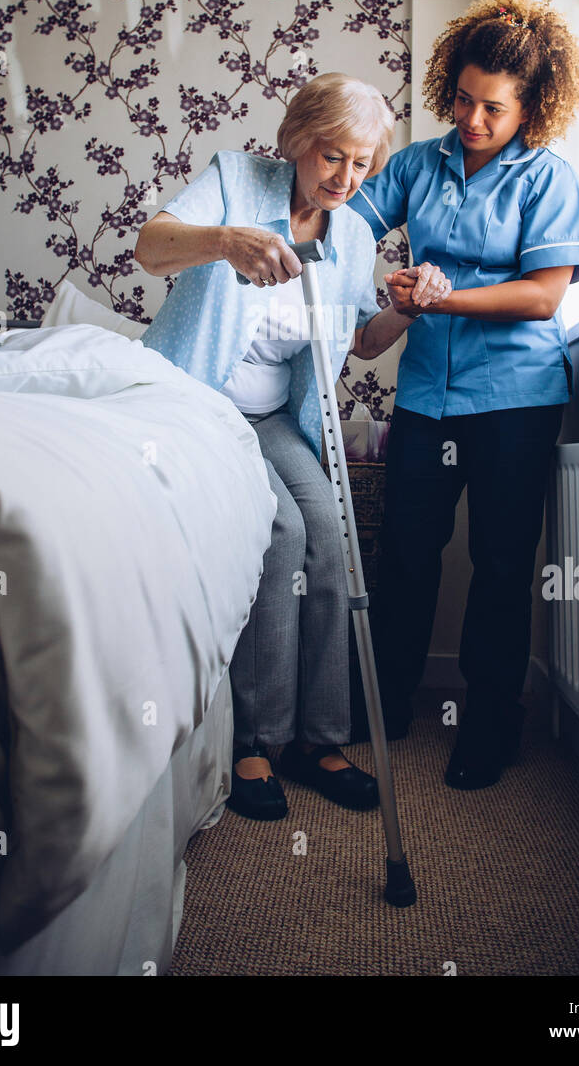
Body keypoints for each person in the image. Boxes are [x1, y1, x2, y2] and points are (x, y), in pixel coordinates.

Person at [134, 73, 420, 820]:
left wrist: (404, 312)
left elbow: (356, 342)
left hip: (271, 422)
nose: (345, 178)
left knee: (329, 529)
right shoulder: (236, 181)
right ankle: (256, 738)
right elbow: (150, 248)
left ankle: (317, 739)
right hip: (198, 404)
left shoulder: (354, 235)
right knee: (281, 532)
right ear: (298, 142)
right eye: (332, 157)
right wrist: (227, 241)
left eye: (362, 165)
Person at [347, 0, 579, 790]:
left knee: (499, 564)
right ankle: (385, 704)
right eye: (462, 98)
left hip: (518, 399)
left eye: (493, 107)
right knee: (410, 555)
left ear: (532, 106)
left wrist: (440, 297)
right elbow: (349, 222)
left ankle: (491, 725)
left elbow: (543, 296)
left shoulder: (547, 178)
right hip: (427, 397)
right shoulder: (418, 164)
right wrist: (377, 290)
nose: (473, 119)